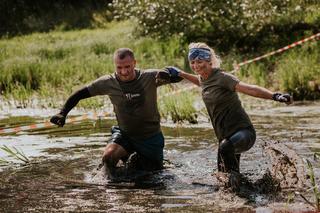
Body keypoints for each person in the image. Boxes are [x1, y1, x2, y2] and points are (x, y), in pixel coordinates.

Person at [50, 48, 182, 179]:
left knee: (152, 174)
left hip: (150, 137)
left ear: (135, 63)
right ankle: (113, 183)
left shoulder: (149, 76)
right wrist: (63, 113)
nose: (124, 72)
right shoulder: (107, 82)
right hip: (125, 134)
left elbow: (177, 76)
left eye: (127, 67)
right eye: (119, 67)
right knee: (108, 158)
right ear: (115, 65)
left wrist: (168, 74)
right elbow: (79, 94)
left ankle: (136, 161)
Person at [167, 42, 292, 181]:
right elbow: (200, 82)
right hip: (225, 137)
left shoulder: (223, 77)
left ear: (209, 61)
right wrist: (181, 74)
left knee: (226, 152)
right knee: (223, 176)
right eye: (192, 62)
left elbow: (250, 89)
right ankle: (239, 191)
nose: (196, 66)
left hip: (244, 133)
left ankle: (238, 194)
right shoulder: (205, 79)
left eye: (200, 62)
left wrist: (274, 95)